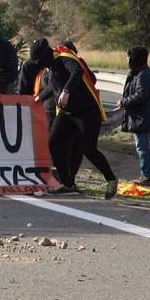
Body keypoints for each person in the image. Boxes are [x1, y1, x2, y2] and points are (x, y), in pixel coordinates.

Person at [47, 44, 117, 198]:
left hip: (87, 112)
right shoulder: (51, 67)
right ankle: (68, 183)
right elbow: (50, 88)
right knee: (54, 141)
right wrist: (37, 98)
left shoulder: (66, 59)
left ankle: (111, 179)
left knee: (88, 149)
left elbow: (78, 72)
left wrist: (66, 90)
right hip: (67, 112)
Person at [115, 45, 150, 187]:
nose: (127, 59)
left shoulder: (143, 74)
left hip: (143, 117)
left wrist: (124, 102)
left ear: (135, 58)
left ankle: (148, 177)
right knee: (141, 147)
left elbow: (141, 94)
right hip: (139, 117)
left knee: (142, 147)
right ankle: (146, 175)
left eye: (129, 56)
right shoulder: (138, 72)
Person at [18, 38, 58, 128]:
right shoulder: (28, 66)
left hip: (51, 107)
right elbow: (22, 90)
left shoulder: (56, 63)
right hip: (37, 105)